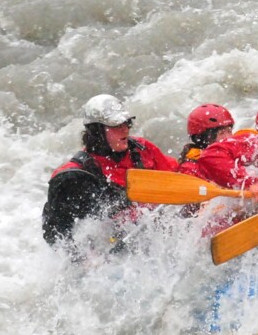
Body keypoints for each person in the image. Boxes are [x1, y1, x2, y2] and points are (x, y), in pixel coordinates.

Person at [42, 94, 178, 250]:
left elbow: (177, 176)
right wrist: (83, 258)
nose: (125, 129)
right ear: (96, 131)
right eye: (116, 125)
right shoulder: (75, 177)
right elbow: (56, 232)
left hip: (155, 234)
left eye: (126, 123)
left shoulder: (142, 149)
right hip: (112, 251)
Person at [176, 104, 235, 177]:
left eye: (229, 131)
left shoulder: (235, 156)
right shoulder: (190, 169)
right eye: (221, 133)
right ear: (203, 138)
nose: (228, 138)